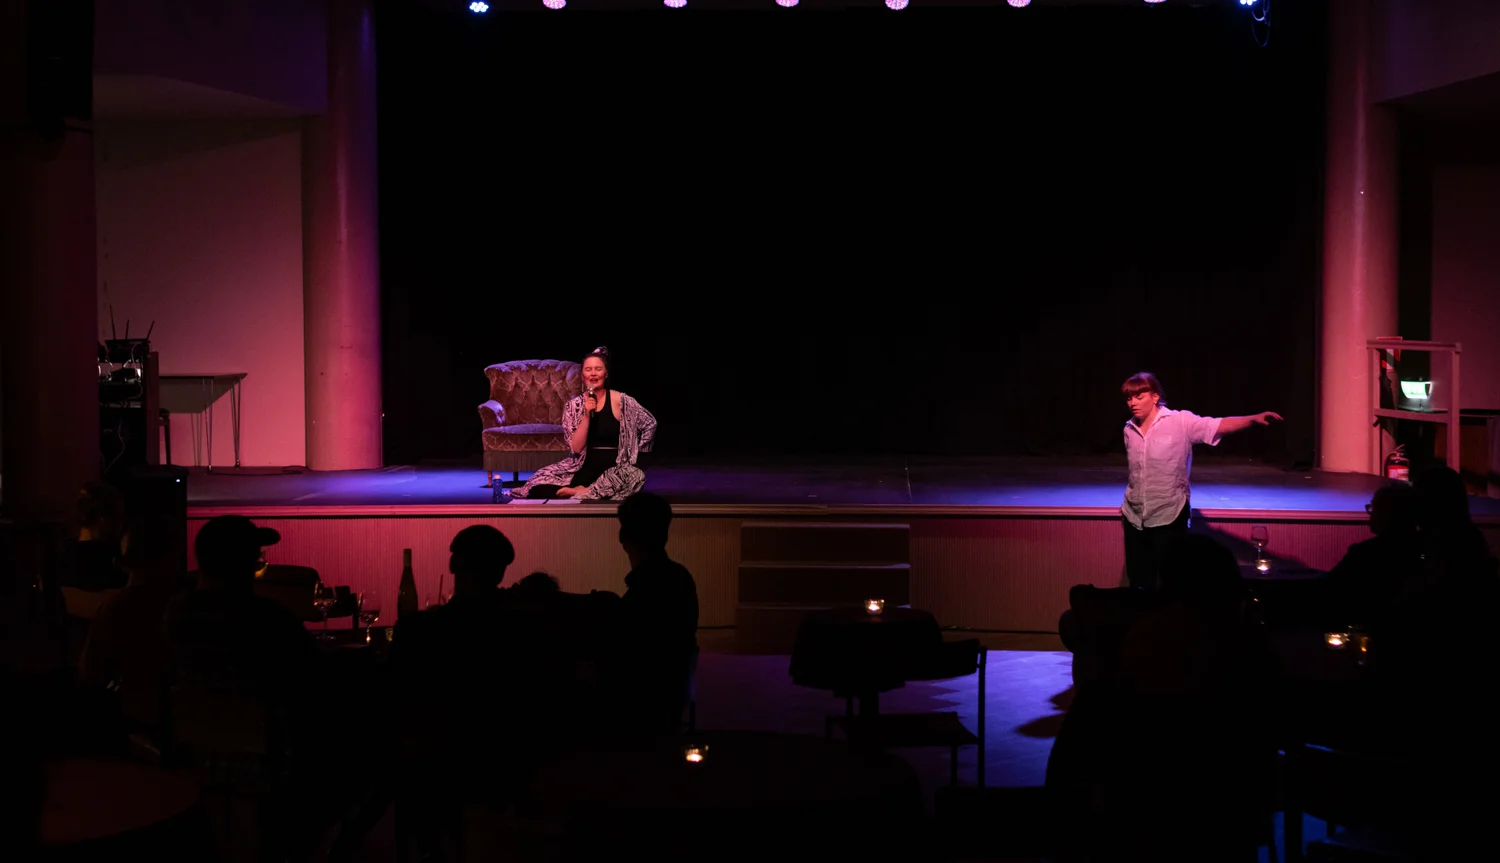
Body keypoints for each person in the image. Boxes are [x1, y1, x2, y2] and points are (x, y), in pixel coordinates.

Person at [1119, 372, 1281, 590]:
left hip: (1168, 514)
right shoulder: (1129, 429)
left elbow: (1216, 425)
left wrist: (1252, 419)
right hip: (1134, 517)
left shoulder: (1180, 421)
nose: (1133, 403)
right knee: (1138, 581)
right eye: (1129, 398)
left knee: (1171, 581)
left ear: (1155, 397)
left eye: (1139, 397)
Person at [510, 346, 657, 501]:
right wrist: (586, 415)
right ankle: (591, 491)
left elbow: (650, 423)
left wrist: (635, 453)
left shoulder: (622, 401)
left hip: (616, 468)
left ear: (606, 373)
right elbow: (576, 448)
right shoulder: (573, 406)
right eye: (588, 369)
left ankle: (584, 490)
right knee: (537, 482)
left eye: (598, 369)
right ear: (582, 376)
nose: (593, 373)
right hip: (584, 465)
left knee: (635, 476)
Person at [605, 492, 699, 735]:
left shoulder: (642, 594)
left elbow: (625, 661)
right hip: (673, 695)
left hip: (645, 706)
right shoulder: (681, 577)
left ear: (623, 536)